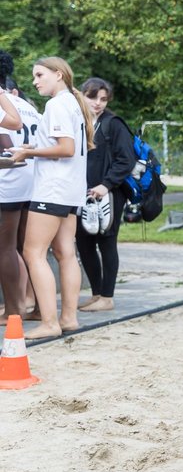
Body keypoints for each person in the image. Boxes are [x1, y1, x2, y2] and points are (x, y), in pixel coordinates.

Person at [1, 57, 92, 340]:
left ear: (58, 75)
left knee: (33, 253)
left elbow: (65, 148)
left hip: (52, 188)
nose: (35, 81)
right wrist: (34, 147)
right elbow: (65, 146)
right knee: (66, 254)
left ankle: (50, 322)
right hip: (71, 188)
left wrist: (28, 153)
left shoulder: (56, 105)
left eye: (40, 75)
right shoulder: (73, 104)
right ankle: (68, 317)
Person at [76, 78, 136, 313]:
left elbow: (126, 160)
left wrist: (106, 185)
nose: (98, 103)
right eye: (93, 98)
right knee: (84, 242)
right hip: (83, 193)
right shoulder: (79, 122)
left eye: (103, 99)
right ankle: (97, 293)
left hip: (109, 194)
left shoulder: (113, 124)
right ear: (82, 95)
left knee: (107, 241)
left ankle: (107, 296)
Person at [0, 51, 40, 318]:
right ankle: (37, 305)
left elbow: (5, 145)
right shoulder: (26, 103)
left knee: (5, 248)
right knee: (28, 248)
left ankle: (13, 311)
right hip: (32, 180)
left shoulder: (4, 104)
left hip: (9, 181)